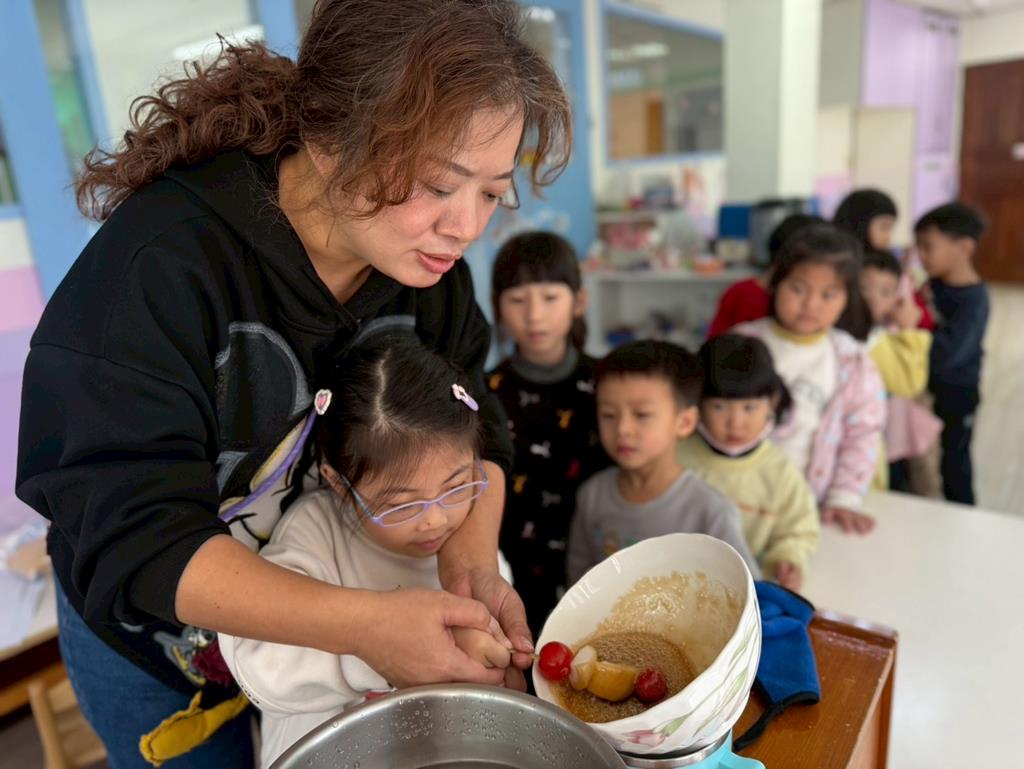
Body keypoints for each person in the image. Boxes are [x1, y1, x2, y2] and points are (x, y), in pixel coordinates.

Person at [16, 1, 571, 765]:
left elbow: (482, 423)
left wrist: (471, 564)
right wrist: (366, 627)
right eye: (441, 184)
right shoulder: (160, 268)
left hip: (331, 619)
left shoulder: (430, 279)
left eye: (491, 192)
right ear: (329, 136)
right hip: (161, 649)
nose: (466, 227)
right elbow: (137, 536)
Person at [220, 342, 515, 767]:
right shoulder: (316, 534)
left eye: (456, 486)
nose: (435, 520)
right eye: (402, 505)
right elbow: (260, 663)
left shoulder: (469, 540)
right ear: (338, 484)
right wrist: (381, 650)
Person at [486, 231, 608, 637]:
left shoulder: (609, 383)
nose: (534, 315)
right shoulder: (484, 392)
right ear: (498, 307)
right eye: (518, 300)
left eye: (550, 298)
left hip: (599, 557)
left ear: (579, 301)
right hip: (514, 566)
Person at [734, 224, 886, 535]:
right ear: (774, 282)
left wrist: (844, 497)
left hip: (809, 506)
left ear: (847, 298)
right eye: (798, 289)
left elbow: (862, 434)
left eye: (828, 294)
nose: (811, 305)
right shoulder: (740, 346)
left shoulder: (852, 361)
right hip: (737, 502)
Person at [566, 341, 759, 585]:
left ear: (685, 422)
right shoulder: (592, 495)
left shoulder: (711, 512)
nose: (623, 429)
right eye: (609, 415)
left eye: (642, 415)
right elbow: (578, 581)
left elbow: (749, 591)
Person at [678, 335, 818, 591]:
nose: (736, 423)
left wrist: (788, 558)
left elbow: (797, 530)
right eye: (719, 407)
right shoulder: (675, 457)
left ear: (772, 402)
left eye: (750, 408)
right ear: (697, 402)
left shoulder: (780, 471)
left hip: (745, 590)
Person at [914, 203, 990, 505]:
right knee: (924, 457)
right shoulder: (932, 285)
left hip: (958, 392)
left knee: (955, 461)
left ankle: (965, 513)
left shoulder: (974, 299)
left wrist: (914, 326)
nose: (921, 255)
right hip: (927, 390)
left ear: (964, 248)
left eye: (928, 246)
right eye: (918, 246)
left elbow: (946, 354)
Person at [859, 248, 941, 491]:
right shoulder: (870, 339)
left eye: (885, 292)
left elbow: (909, 384)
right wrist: (908, 330)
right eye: (864, 288)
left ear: (896, 299)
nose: (873, 299)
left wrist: (907, 329)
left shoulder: (880, 337)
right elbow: (910, 382)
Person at [706, 214, 823, 339]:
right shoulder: (741, 295)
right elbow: (714, 344)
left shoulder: (739, 291)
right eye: (797, 289)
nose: (811, 304)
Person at [833, 188, 935, 331]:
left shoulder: (890, 264)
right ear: (861, 223)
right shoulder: (841, 265)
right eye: (884, 227)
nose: (888, 236)